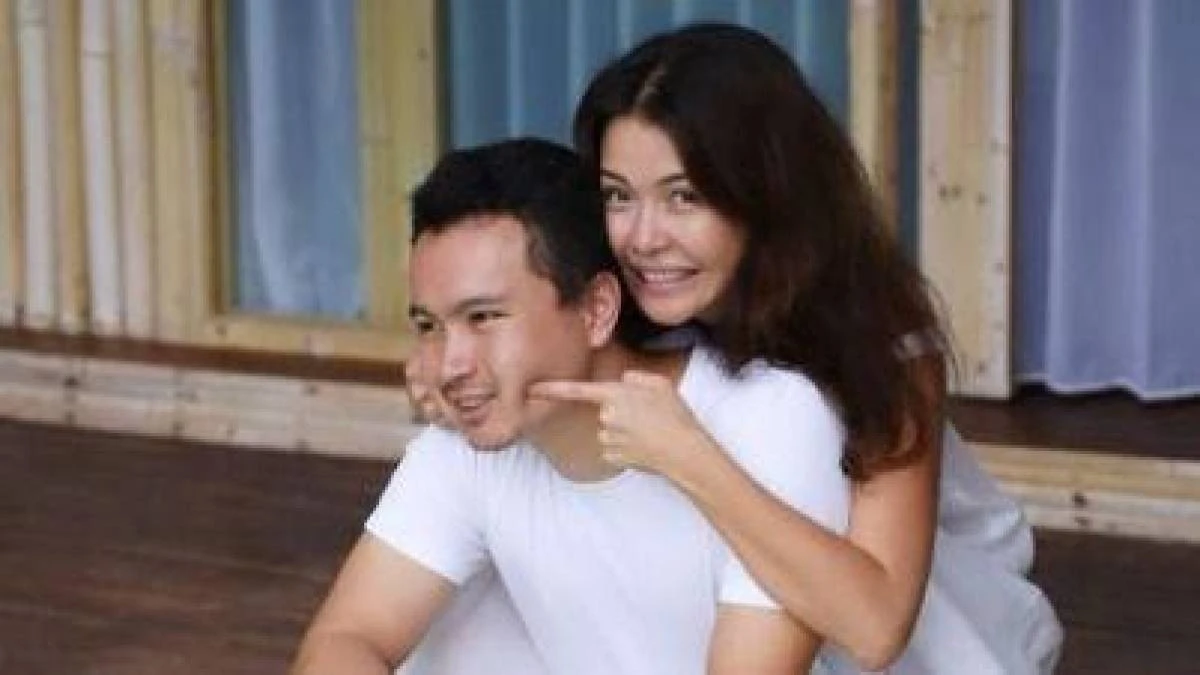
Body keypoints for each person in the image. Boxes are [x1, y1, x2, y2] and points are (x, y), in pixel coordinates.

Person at [409, 23, 1063, 675]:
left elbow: (877, 627)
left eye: (683, 197)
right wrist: (454, 369)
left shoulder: (881, 345)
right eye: (618, 195)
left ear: (764, 192)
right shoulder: (623, 301)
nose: (643, 238)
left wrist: (689, 455)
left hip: (915, 630)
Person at [292, 138, 852, 674]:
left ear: (596, 309)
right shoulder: (471, 442)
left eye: (483, 318)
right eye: (429, 327)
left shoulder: (767, 415)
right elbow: (348, 636)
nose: (449, 365)